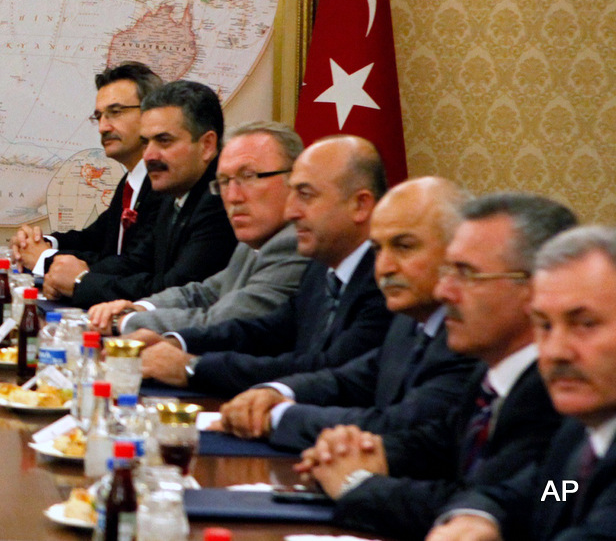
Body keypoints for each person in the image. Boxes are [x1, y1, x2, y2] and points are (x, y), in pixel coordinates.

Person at [297, 193, 575, 540]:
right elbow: (443, 447)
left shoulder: (560, 392)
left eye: (466, 274)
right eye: (448, 271)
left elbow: (537, 496)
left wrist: (356, 485)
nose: (444, 292)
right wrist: (368, 452)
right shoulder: (492, 376)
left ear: (536, 288)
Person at [219, 176, 481, 452]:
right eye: (378, 249)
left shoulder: (471, 335)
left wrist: (277, 417)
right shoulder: (410, 321)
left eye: (404, 246)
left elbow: (398, 426)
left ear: (458, 253)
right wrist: (275, 393)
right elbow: (348, 380)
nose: (385, 267)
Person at [135, 135, 394, 396]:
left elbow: (330, 368)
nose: (291, 211)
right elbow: (268, 330)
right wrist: (175, 341)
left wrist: (194, 368)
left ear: (360, 205)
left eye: (305, 194)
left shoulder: (386, 279)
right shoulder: (322, 267)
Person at [430, 225, 616, 541]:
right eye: (544, 325)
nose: (556, 351)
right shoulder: (580, 433)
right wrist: (482, 518)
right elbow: (546, 494)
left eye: (584, 324)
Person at [86, 121, 309, 335]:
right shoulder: (254, 242)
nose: (232, 197)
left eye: (248, 176)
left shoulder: (295, 243)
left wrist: (127, 321)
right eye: (224, 181)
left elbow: (223, 321)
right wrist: (140, 307)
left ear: (296, 179)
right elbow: (203, 293)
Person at [53, 79, 238, 308]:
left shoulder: (223, 199)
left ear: (207, 145)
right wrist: (63, 273)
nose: (149, 155)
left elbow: (170, 290)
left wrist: (81, 281)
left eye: (163, 141)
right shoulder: (175, 190)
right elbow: (135, 264)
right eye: (145, 142)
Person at [10, 61, 164, 283]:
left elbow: (133, 265)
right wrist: (39, 242)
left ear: (152, 114)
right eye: (99, 116)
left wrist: (44, 258)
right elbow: (93, 239)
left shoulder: (165, 185)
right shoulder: (131, 180)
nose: (103, 127)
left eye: (115, 112)